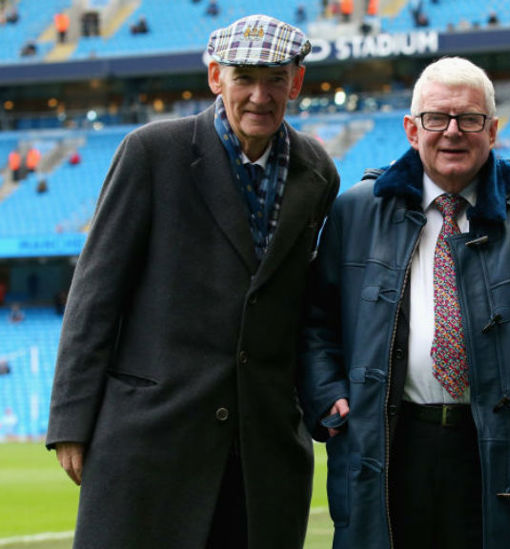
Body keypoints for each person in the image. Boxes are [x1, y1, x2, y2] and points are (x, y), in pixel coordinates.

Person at [45, 15, 339, 548]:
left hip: (262, 454)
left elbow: (299, 305)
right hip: (151, 442)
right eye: (244, 77)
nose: (259, 95)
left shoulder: (317, 170)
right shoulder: (152, 152)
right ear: (214, 77)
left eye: (275, 79)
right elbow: (95, 292)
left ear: (296, 83)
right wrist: (71, 421)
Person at [297, 56, 510, 549]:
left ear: (493, 130)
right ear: (413, 129)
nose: (452, 131)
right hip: (391, 443)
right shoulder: (357, 211)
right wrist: (329, 398)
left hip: (500, 448)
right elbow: (316, 324)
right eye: (437, 118)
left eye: (470, 119)